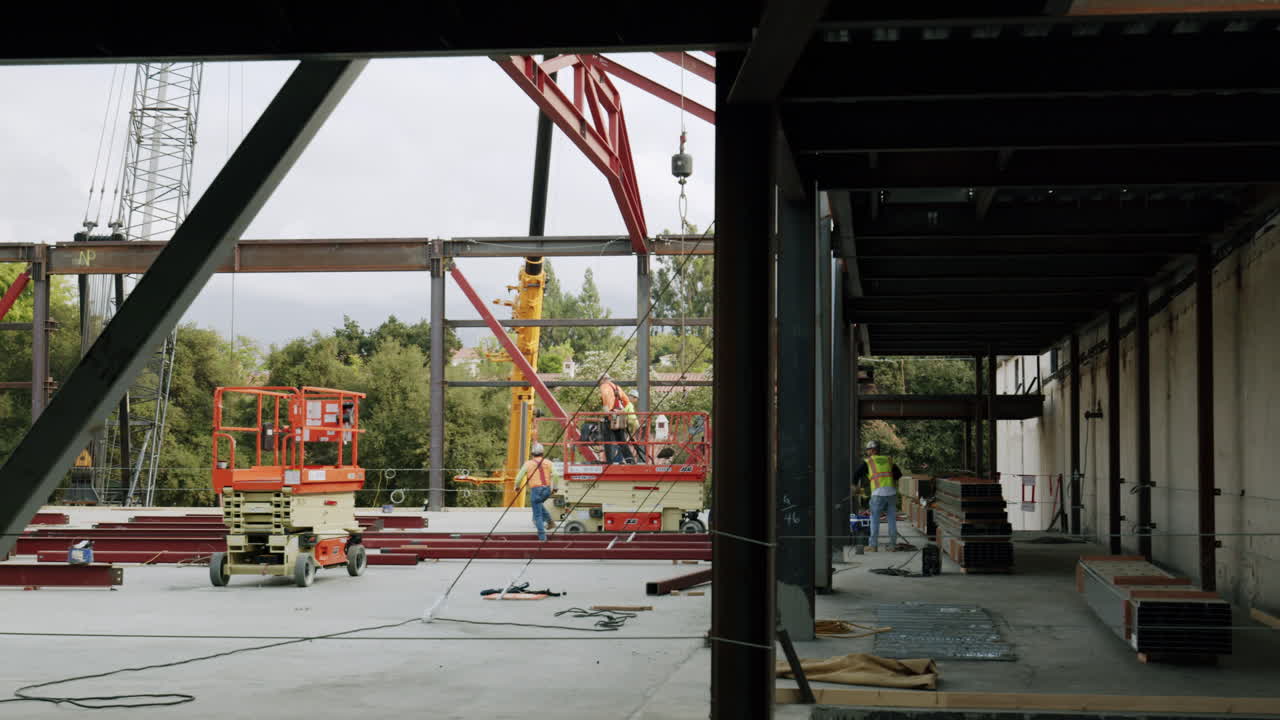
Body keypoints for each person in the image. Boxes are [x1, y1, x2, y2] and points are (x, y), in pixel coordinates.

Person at [853, 440, 903, 551]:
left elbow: (856, 475)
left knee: (874, 519)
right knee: (891, 520)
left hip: (878, 494)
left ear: (873, 450)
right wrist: (889, 480)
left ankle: (873, 545)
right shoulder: (888, 460)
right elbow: (899, 474)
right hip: (891, 494)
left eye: (868, 450)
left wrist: (855, 488)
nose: (867, 452)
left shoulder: (869, 462)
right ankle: (892, 545)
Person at [516, 443, 557, 541]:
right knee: (538, 504)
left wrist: (517, 487)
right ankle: (550, 521)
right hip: (546, 490)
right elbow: (555, 475)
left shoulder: (528, 464)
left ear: (532, 453)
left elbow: (518, 478)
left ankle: (542, 538)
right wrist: (555, 488)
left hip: (536, 490)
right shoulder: (549, 463)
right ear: (543, 453)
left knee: (537, 514)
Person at [596, 375, 633, 464]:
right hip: (620, 414)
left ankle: (609, 461)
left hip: (612, 415)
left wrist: (607, 412)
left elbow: (606, 400)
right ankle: (629, 460)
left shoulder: (604, 386)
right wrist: (622, 410)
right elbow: (626, 401)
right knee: (621, 439)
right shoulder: (617, 387)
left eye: (599, 381)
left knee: (608, 439)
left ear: (603, 380)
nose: (599, 383)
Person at [624, 389, 647, 463]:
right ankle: (634, 437)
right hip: (629, 422)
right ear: (633, 397)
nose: (636, 400)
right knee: (637, 427)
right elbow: (629, 415)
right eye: (636, 398)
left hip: (628, 422)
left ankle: (631, 437)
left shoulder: (626, 403)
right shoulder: (629, 404)